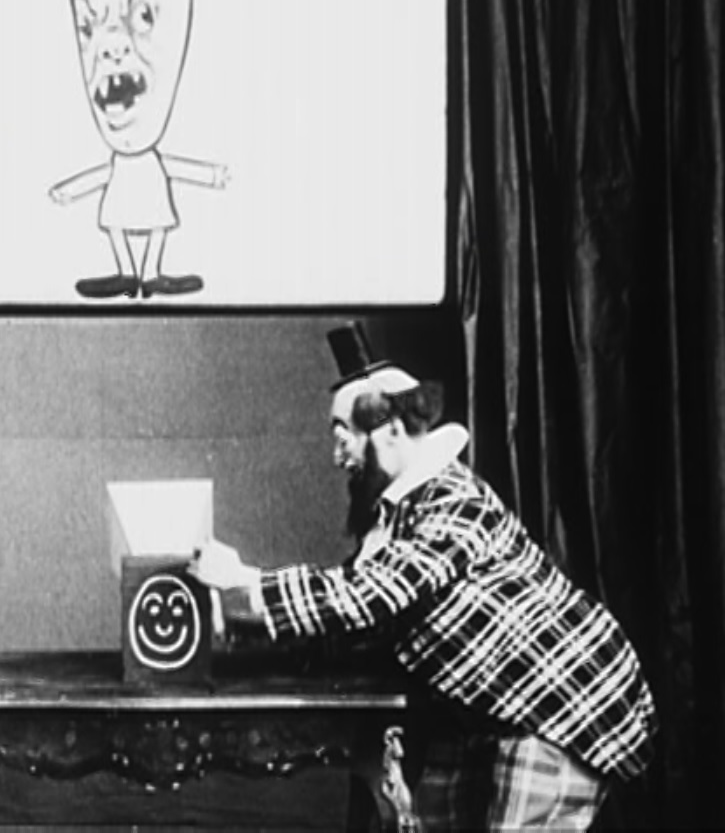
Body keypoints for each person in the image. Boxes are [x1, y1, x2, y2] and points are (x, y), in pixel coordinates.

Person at [188, 325, 657, 830]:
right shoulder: (400, 518)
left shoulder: (455, 501)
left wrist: (244, 583)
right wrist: (235, 626)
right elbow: (354, 615)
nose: (337, 457)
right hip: (485, 712)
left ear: (390, 430)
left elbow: (367, 596)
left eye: (344, 436)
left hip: (559, 709)